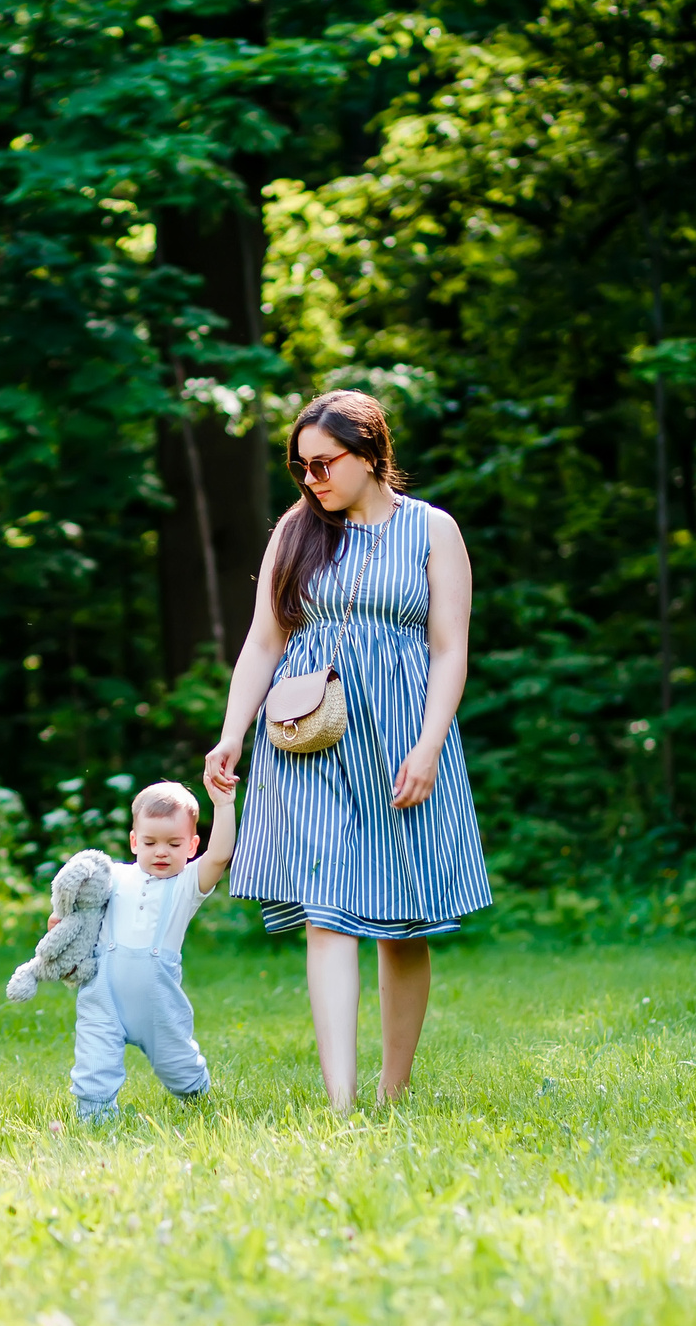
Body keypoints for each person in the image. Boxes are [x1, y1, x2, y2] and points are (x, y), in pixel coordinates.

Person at [204, 389, 490, 1110]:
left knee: (402, 919)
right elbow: (264, 640)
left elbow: (450, 648)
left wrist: (428, 745)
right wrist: (231, 730)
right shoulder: (297, 532)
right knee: (326, 910)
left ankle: (395, 1091)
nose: (311, 479)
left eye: (324, 463)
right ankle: (340, 1102)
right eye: (300, 467)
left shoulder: (433, 530)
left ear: (369, 455)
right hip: (310, 737)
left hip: (400, 737)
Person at [67, 778, 236, 1123]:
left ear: (191, 846)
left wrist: (223, 805)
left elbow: (219, 856)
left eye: (174, 844)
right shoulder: (112, 876)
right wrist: (61, 917)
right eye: (150, 842)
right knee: (94, 1060)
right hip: (103, 993)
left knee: (179, 1065)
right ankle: (95, 1117)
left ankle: (198, 1097)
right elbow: (77, 905)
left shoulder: (188, 884)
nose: (161, 852)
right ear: (134, 842)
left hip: (158, 1002)